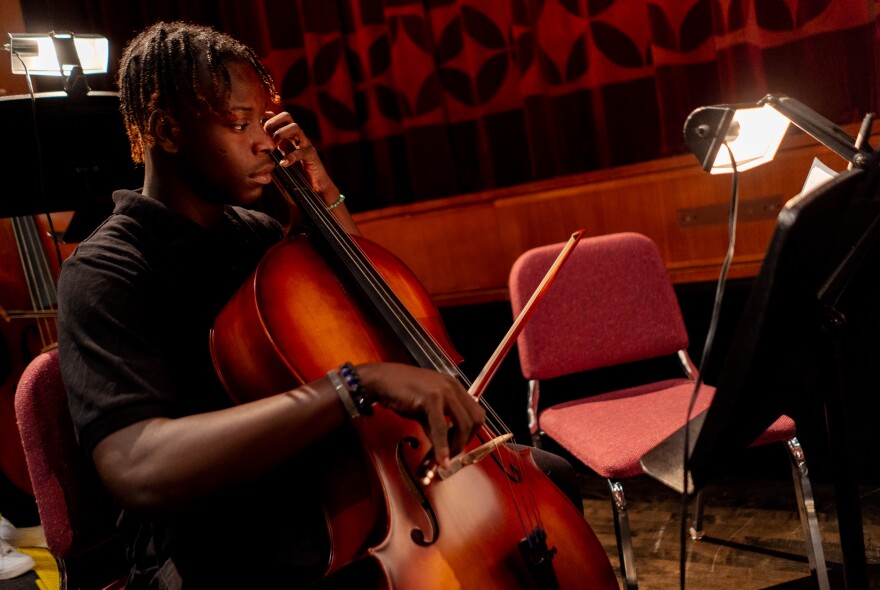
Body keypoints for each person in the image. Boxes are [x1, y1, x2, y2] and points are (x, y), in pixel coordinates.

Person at [57, 21, 578, 588]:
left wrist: (325, 196)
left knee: (545, 481)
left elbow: (369, 315)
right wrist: (353, 386)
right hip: (213, 539)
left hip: (314, 481)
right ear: (167, 130)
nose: (265, 141)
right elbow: (136, 466)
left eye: (264, 120)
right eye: (239, 124)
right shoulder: (108, 270)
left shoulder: (254, 233)